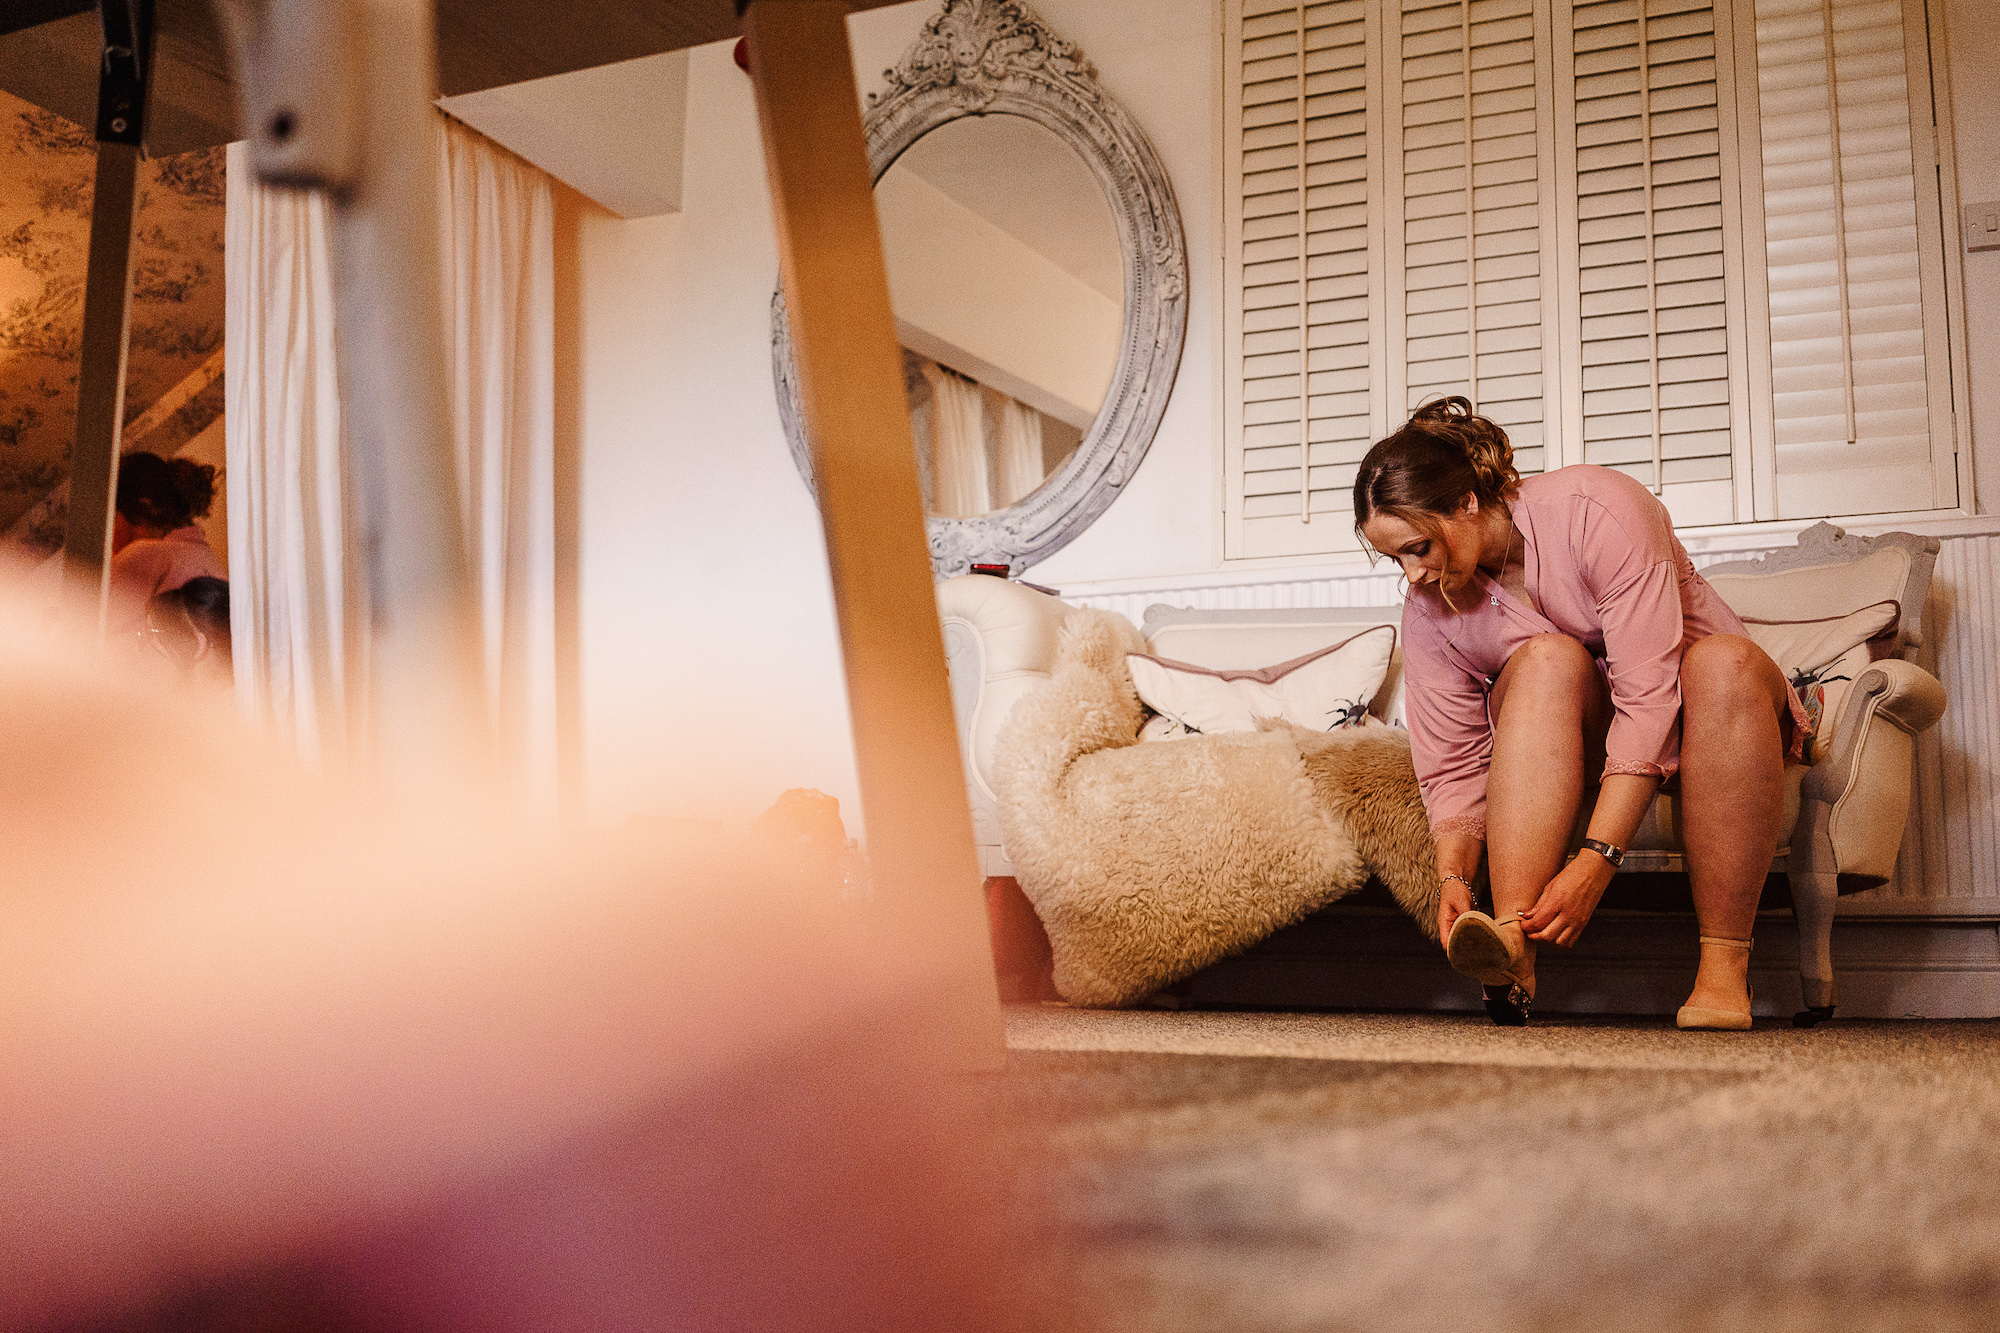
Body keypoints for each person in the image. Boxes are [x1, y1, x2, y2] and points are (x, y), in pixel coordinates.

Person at [1353, 398, 1808, 1029]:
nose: (1414, 574)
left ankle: (1723, 968)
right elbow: (1451, 758)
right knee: (1547, 661)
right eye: (1395, 559)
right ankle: (1510, 943)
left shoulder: (1599, 509)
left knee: (1721, 664)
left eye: (1418, 546)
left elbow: (1649, 696)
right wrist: (1453, 874)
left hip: (1719, 716)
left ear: (1466, 501)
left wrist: (1598, 857)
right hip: (1591, 743)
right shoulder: (1431, 605)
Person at [109, 452, 226, 637]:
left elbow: (100, 642)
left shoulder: (142, 555)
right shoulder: (210, 559)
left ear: (143, 508)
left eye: (112, 519)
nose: (110, 536)